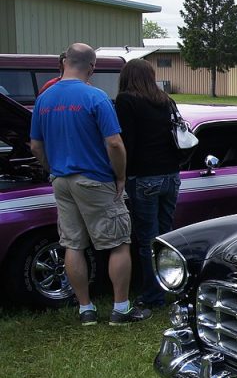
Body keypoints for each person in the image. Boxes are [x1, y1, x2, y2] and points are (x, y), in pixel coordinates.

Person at [29, 43, 150, 326]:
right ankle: (121, 309)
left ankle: (86, 309)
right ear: (91, 67)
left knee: (73, 244)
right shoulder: (96, 97)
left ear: (64, 63)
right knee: (118, 243)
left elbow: (35, 145)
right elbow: (114, 143)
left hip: (61, 181)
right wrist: (119, 176)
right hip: (95, 179)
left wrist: (51, 168)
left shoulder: (43, 99)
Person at [114, 58, 182, 309]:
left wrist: (119, 173)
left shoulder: (126, 100)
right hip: (171, 175)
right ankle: (172, 285)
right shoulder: (165, 100)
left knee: (147, 240)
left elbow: (125, 142)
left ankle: (153, 296)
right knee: (166, 237)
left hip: (143, 176)